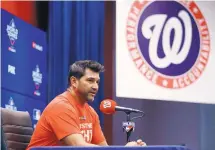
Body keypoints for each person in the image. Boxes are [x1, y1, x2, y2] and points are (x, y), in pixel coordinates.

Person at [27, 60, 146, 150]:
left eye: (97, 82)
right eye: (90, 80)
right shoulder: (61, 106)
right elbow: (79, 147)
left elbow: (103, 148)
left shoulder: (91, 112)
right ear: (74, 81)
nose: (95, 86)